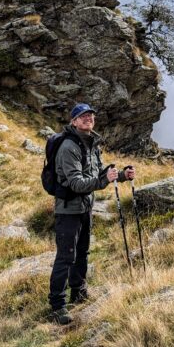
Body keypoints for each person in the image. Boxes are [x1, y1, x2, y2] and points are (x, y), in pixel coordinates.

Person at [49, 103, 135, 325]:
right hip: (68, 210)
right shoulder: (69, 147)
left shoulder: (91, 144)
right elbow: (77, 183)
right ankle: (57, 306)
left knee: (83, 252)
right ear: (74, 121)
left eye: (90, 115)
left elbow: (98, 173)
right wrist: (103, 181)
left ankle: (78, 292)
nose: (88, 118)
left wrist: (122, 175)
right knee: (66, 257)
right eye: (82, 116)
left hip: (85, 207)